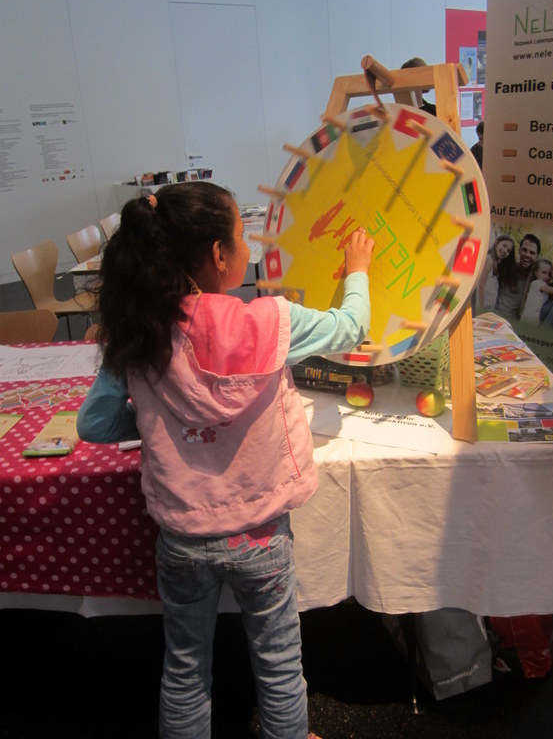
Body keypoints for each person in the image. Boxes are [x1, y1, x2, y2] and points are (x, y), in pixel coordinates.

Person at [76, 181, 374, 739]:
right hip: (261, 536)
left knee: (185, 668)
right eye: (242, 235)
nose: (247, 246)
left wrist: (160, 424)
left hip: (183, 537)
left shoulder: (141, 329)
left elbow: (93, 423)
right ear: (218, 256)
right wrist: (356, 268)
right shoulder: (268, 322)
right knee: (281, 662)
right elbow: (350, 327)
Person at [494, 233, 540, 319]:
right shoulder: (506, 268)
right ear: (519, 250)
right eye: (524, 250)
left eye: (532, 253)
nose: (527, 255)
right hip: (491, 317)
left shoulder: (536, 283)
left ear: (537, 257)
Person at [476, 234, 517, 312]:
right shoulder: (489, 259)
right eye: (504, 246)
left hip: (489, 307)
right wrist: (480, 309)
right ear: (497, 242)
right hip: (481, 306)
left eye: (508, 251)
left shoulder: (496, 264)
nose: (505, 251)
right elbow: (481, 285)